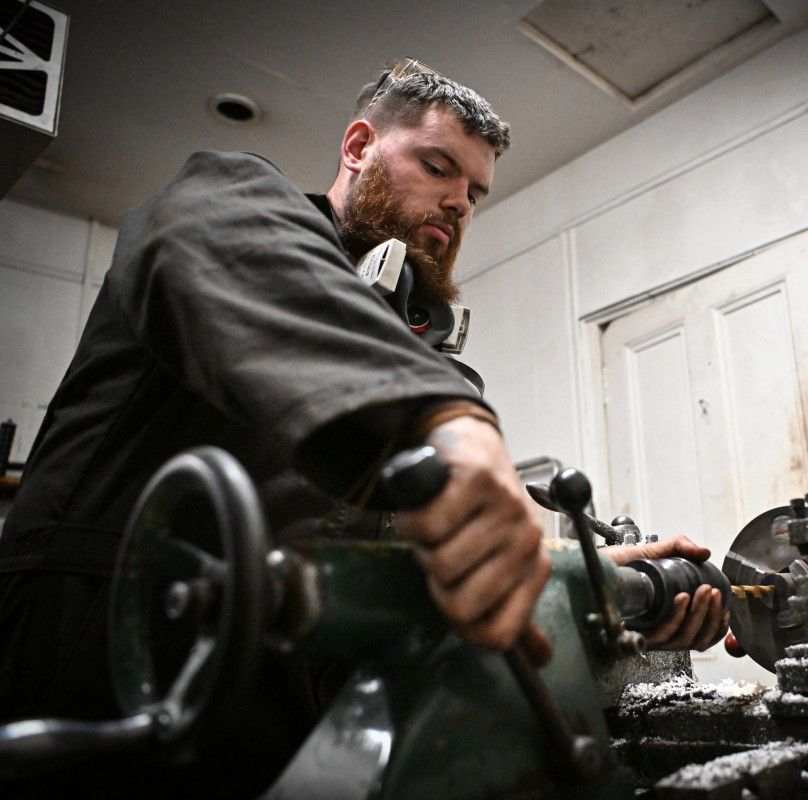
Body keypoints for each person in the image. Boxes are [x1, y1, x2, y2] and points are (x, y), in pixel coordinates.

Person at [0, 60, 727, 793]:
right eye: (437, 166)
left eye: (474, 191)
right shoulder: (226, 203)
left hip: (273, 723)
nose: (457, 203)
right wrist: (445, 420)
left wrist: (599, 585)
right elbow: (225, 237)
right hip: (95, 676)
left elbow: (404, 545)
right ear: (357, 147)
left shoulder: (404, 350)